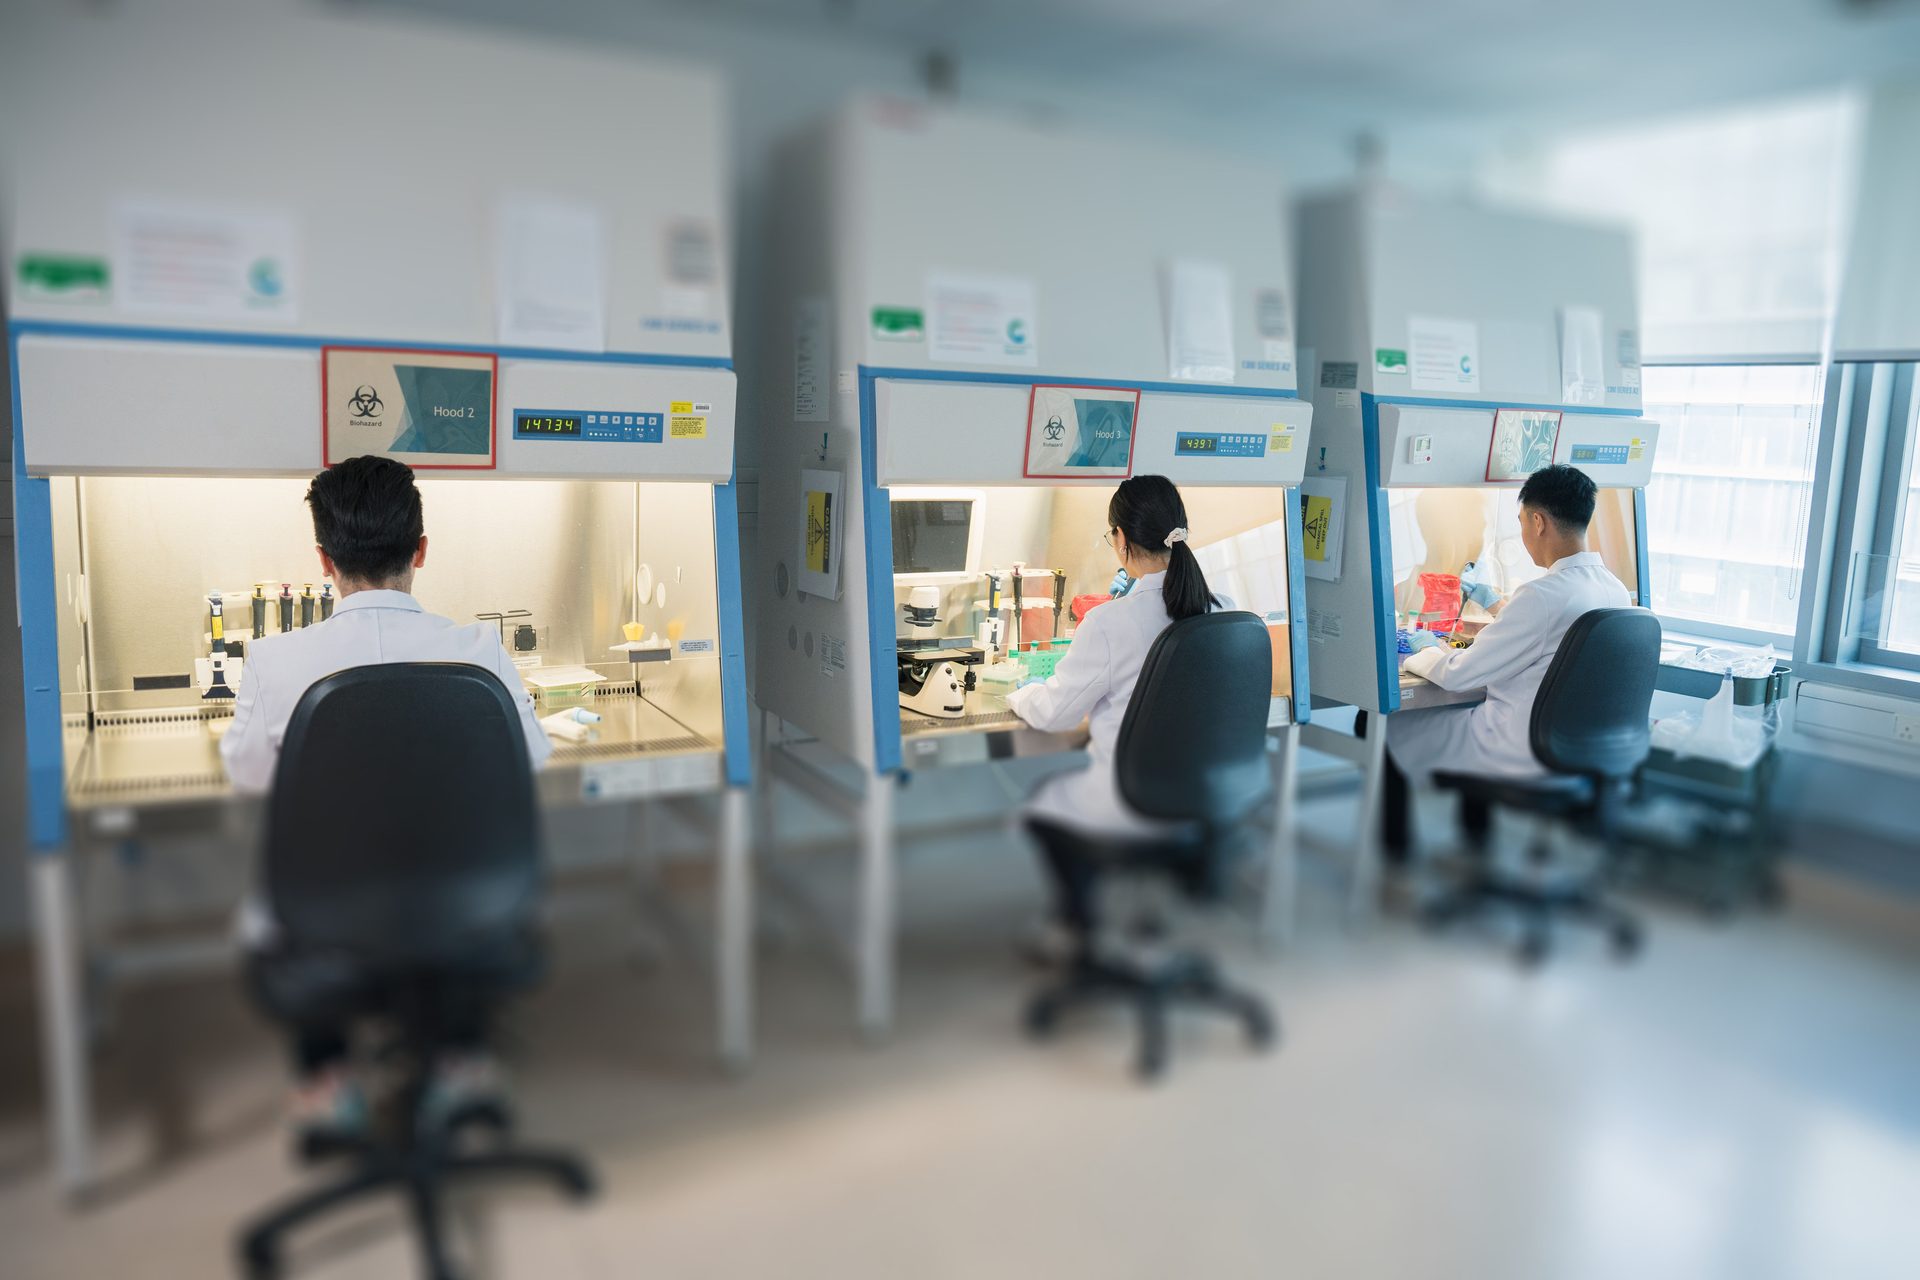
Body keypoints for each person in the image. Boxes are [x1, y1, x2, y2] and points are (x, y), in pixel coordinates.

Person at [220, 455, 550, 1137]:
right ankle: (460, 1065)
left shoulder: (273, 662)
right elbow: (531, 759)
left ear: (324, 560)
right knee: (452, 867)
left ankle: (329, 1081)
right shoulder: (481, 650)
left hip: (325, 925)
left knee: (290, 883)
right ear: (420, 550)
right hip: (466, 914)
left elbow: (248, 775)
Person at [1006, 475, 1224, 946]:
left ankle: (1077, 932)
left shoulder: (1107, 621)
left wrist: (1020, 693)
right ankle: (1145, 919)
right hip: (1207, 796)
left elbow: (1056, 715)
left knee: (1041, 804)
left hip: (1134, 800)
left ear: (1121, 539)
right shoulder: (1223, 608)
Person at [1381, 464, 1632, 858]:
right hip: (1583, 746)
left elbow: (1458, 675)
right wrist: (1497, 606)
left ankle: (1398, 861)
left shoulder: (1542, 596)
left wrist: (1424, 648)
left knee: (1386, 728)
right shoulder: (1614, 590)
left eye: (1520, 521)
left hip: (1522, 747)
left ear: (1538, 522)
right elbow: (1545, 634)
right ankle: (1474, 848)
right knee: (1467, 713)